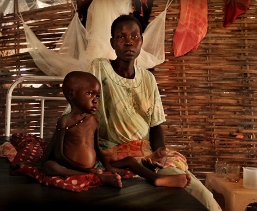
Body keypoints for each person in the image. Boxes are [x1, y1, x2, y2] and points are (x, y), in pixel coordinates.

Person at [83, 14, 222, 211]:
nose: (129, 42)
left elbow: (156, 125)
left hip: (145, 152)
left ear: (141, 41)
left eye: (134, 36)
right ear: (112, 43)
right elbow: (81, 110)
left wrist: (160, 153)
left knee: (201, 194)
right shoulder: (99, 69)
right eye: (121, 37)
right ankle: (156, 178)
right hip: (113, 152)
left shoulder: (148, 78)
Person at [42, 70, 191, 188]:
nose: (95, 99)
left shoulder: (94, 120)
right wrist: (87, 170)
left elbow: (97, 149)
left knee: (130, 161)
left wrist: (107, 167)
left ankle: (157, 178)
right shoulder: (65, 121)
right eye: (89, 93)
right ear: (71, 95)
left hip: (96, 166)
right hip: (72, 166)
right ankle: (99, 177)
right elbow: (58, 154)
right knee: (50, 166)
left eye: (98, 96)